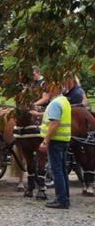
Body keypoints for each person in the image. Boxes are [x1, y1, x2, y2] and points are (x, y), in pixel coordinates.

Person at [38, 73, 74, 209]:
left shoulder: (54, 103)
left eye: (48, 89)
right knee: (63, 170)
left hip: (55, 140)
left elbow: (54, 123)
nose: (46, 92)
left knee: (56, 170)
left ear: (54, 89)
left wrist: (45, 141)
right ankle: (65, 197)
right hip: (64, 139)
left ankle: (61, 200)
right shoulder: (64, 101)